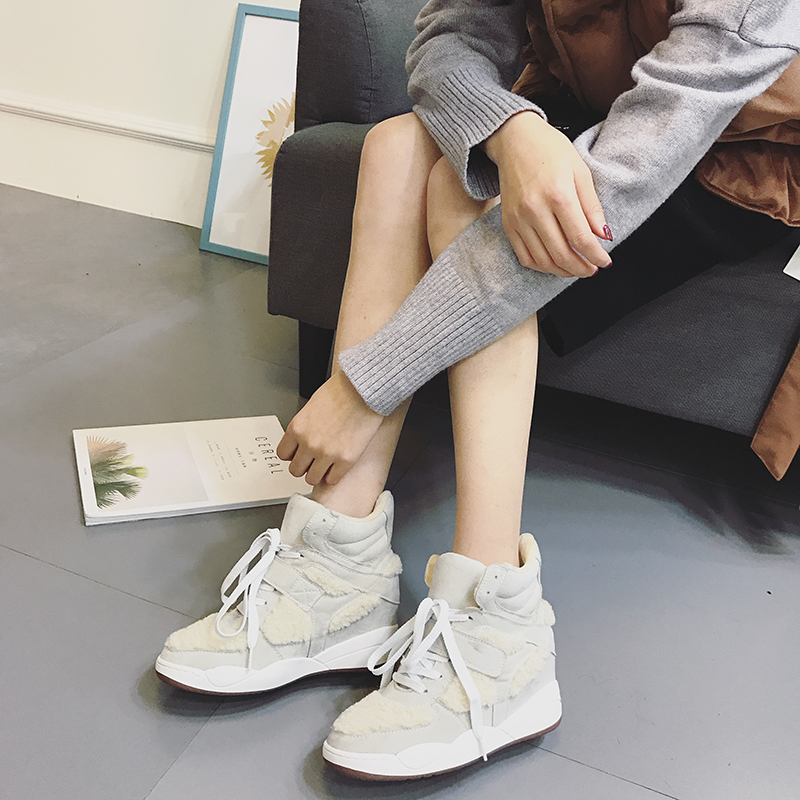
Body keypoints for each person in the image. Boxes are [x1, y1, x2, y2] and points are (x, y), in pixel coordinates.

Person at [155, 0, 800, 781]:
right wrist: (513, 129)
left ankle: (501, 631)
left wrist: (362, 389)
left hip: (735, 151)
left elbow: (622, 175)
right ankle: (339, 565)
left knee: (472, 198)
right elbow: (449, 37)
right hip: (592, 107)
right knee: (397, 144)